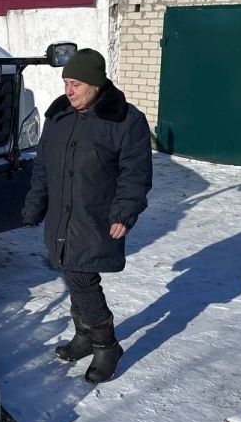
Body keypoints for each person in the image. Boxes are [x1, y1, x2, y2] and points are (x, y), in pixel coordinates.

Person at [22, 48, 152, 383]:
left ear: (95, 84)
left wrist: (125, 211)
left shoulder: (125, 120)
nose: (68, 90)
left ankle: (106, 344)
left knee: (81, 278)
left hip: (95, 217)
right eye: (66, 82)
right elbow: (43, 167)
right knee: (69, 270)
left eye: (75, 83)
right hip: (61, 217)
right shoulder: (59, 117)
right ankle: (83, 336)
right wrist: (35, 203)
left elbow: (135, 173)